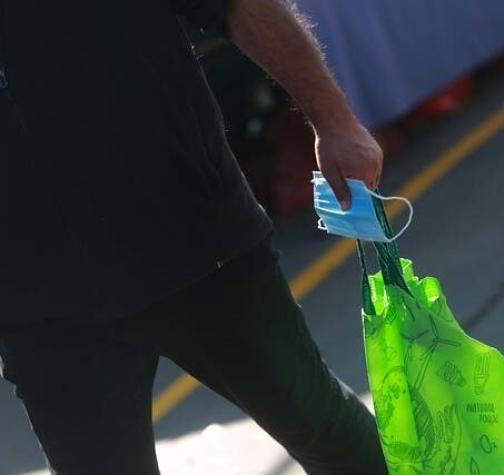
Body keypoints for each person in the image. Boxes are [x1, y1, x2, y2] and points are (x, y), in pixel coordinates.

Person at [0, 0, 388, 473]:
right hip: (40, 304)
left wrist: (334, 121)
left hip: (191, 239)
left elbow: (238, 6)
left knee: (320, 426)